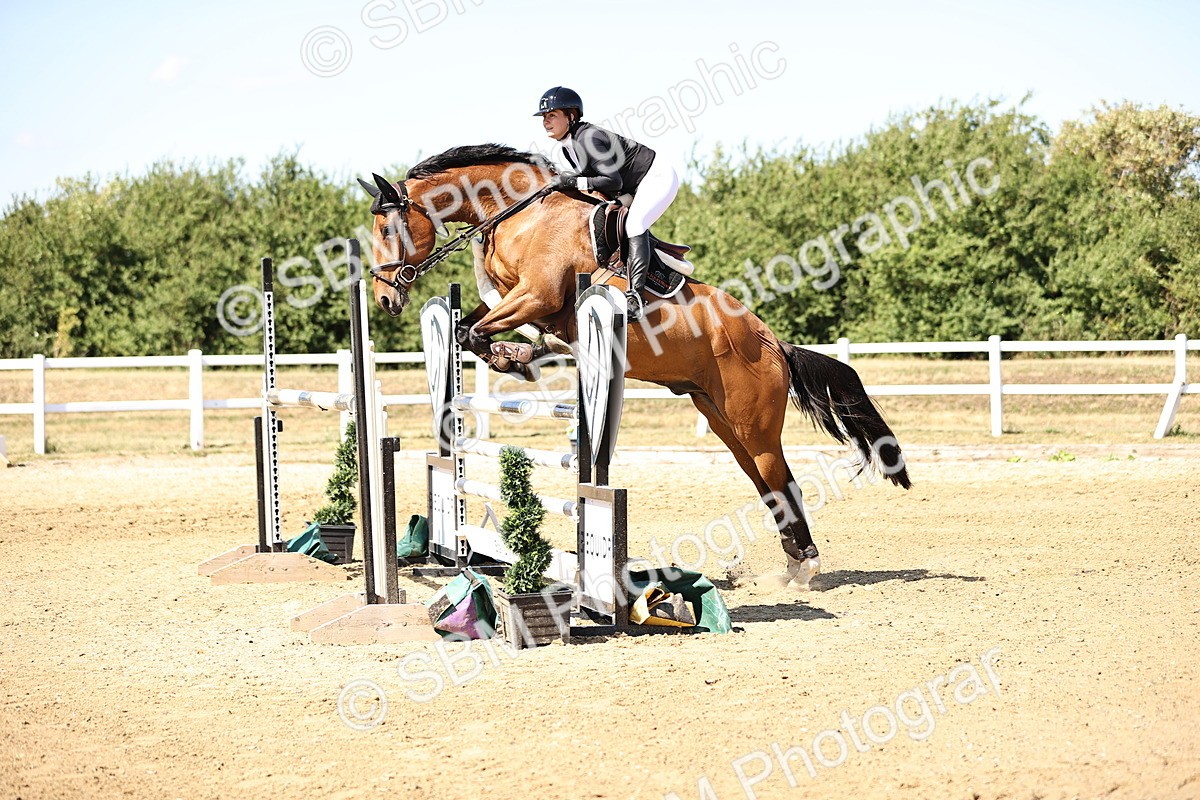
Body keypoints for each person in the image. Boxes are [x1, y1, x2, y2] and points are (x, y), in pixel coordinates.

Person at [534, 86, 680, 321]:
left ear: (571, 116)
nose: (546, 122)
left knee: (634, 225)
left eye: (552, 115)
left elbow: (612, 180)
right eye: (544, 117)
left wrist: (569, 180)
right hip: (632, 186)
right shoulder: (568, 146)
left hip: (656, 177)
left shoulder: (587, 138)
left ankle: (635, 297)